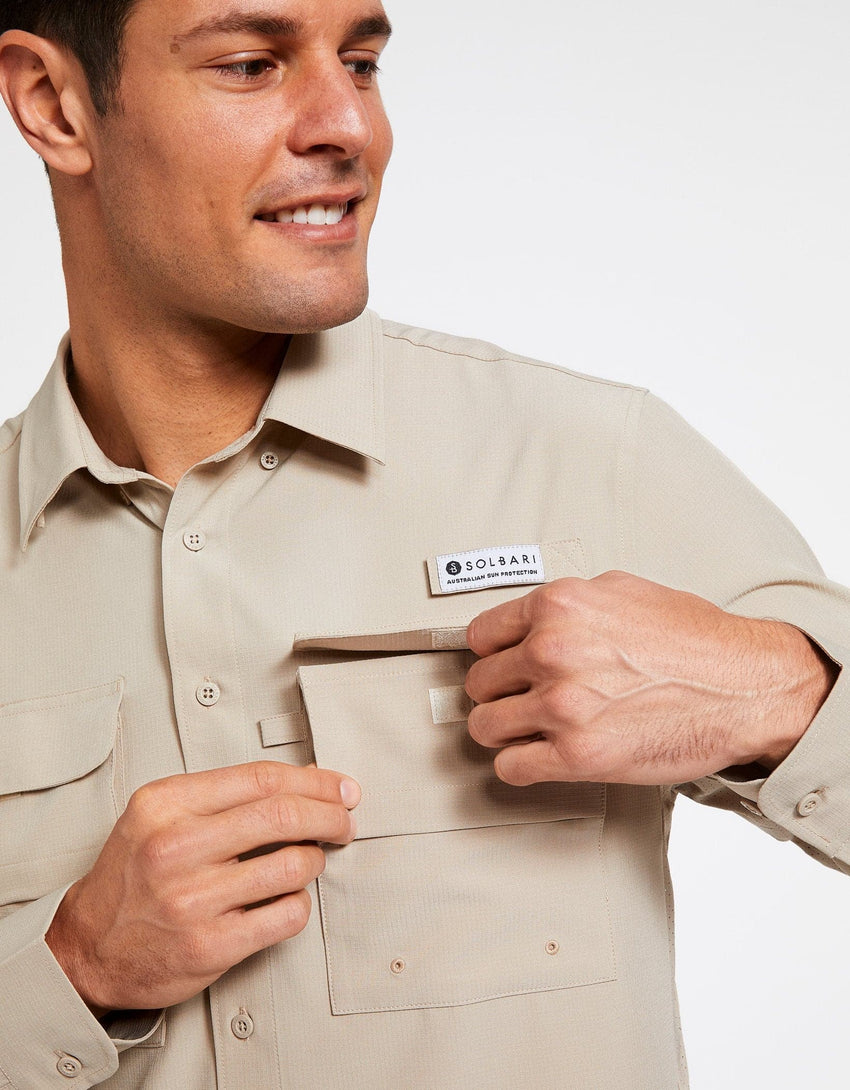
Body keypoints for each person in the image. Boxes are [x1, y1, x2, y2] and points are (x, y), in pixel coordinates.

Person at [0, 2, 847, 1088]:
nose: (350, 125)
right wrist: (72, 971)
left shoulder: (588, 457)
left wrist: (780, 697)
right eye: (252, 65)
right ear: (53, 104)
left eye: (360, 62)